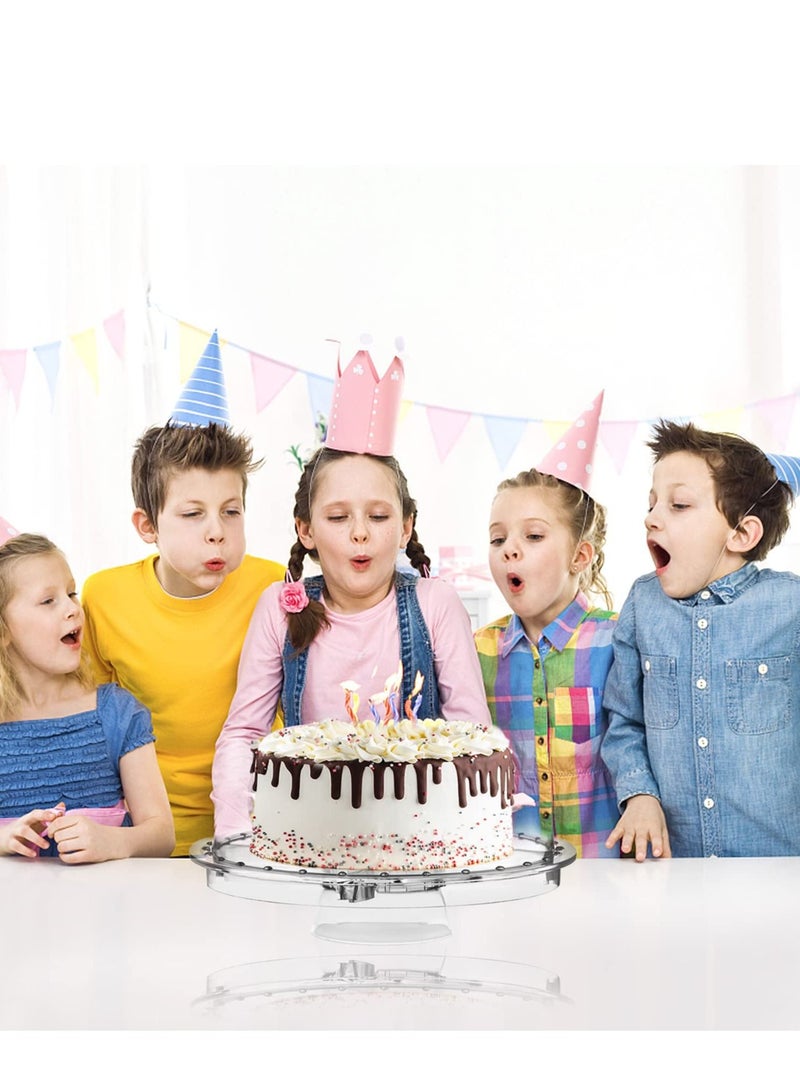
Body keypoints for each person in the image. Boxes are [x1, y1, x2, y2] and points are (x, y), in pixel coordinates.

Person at [211, 444, 493, 839]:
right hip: (310, 835)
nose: (360, 532)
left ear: (405, 528)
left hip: (422, 836)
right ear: (305, 530)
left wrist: (469, 835)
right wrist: (236, 835)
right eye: (339, 517)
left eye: (378, 516)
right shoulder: (280, 608)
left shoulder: (435, 603)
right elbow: (244, 736)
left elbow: (472, 734)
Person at [81, 422, 285, 855]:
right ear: (147, 525)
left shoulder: (274, 587)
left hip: (266, 826)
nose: (217, 530)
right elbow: (92, 721)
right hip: (146, 832)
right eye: (193, 514)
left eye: (231, 511)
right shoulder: (103, 597)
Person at [601, 419, 800, 860]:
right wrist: (639, 795)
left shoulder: (791, 606)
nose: (651, 518)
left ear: (742, 533)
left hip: (780, 868)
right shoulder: (642, 603)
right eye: (652, 504)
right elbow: (624, 721)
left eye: (679, 505)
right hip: (673, 869)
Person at [0, 533, 174, 861]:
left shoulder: (117, 713)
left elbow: (162, 834)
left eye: (70, 593)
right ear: (4, 629)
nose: (72, 609)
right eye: (48, 601)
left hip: (104, 910)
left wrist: (113, 841)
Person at [475, 467, 619, 857]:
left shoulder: (618, 640)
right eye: (497, 538)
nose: (510, 549)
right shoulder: (478, 651)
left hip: (604, 876)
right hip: (509, 874)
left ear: (579, 556)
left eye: (533, 536)